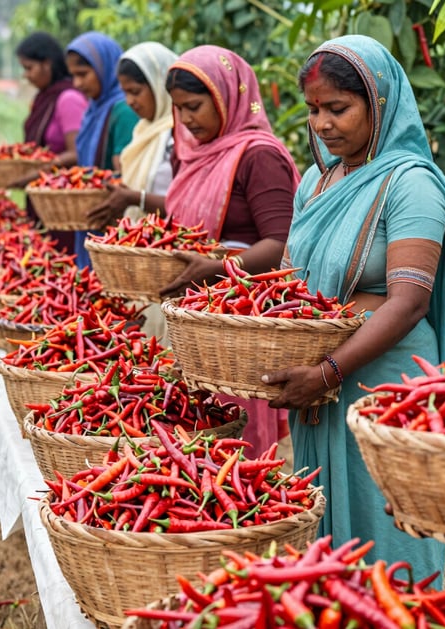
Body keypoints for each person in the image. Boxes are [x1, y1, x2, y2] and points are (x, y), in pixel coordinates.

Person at [261, 35, 445, 580]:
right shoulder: (315, 180)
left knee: (388, 529)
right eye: (313, 111)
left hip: (384, 381)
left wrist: (329, 370)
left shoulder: (412, 185)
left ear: (379, 104)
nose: (323, 124)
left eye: (339, 108)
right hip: (321, 377)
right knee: (328, 531)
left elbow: (406, 304)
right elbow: (290, 279)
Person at [160, 45, 301, 458]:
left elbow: (283, 244)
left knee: (233, 440)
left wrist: (222, 267)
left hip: (239, 315)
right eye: (179, 109)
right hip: (201, 310)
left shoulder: (259, 156)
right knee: (194, 427)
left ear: (228, 96)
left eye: (195, 106)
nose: (186, 119)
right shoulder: (194, 152)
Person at [65, 31, 138, 268]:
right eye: (73, 76)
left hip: (113, 220)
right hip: (90, 214)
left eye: (83, 74)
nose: (77, 84)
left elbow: (127, 173)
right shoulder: (93, 109)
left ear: (105, 67)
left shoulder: (124, 110)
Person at [87, 41, 178, 227]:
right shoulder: (142, 131)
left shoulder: (179, 134)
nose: (129, 101)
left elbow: (189, 205)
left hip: (174, 241)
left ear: (159, 85)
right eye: (125, 93)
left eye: (135, 92)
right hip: (141, 243)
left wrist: (135, 199)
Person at [14, 31, 88, 253]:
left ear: (47, 64)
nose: (26, 75)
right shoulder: (42, 98)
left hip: (62, 203)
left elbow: (76, 153)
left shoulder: (68, 98)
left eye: (29, 68)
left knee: (61, 257)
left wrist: (36, 173)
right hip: (45, 199)